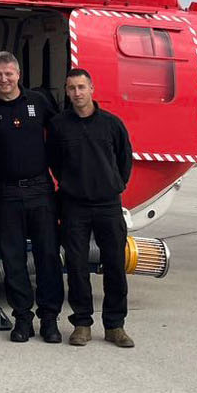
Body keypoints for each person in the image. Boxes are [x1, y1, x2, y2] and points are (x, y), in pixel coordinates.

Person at [0, 50, 64, 344]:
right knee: (12, 259)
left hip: (40, 190)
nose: (4, 79)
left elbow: (62, 133)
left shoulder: (39, 102)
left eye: (8, 74)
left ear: (18, 74)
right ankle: (22, 318)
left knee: (47, 256)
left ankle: (49, 319)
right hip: (6, 193)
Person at [49, 67, 135, 348]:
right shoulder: (59, 125)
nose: (77, 93)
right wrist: (73, 184)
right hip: (74, 206)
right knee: (76, 266)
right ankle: (82, 324)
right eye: (71, 88)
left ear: (92, 88)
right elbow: (55, 162)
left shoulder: (111, 124)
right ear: (67, 91)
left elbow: (124, 160)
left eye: (81, 87)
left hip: (108, 205)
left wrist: (113, 185)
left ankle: (115, 325)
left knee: (114, 266)